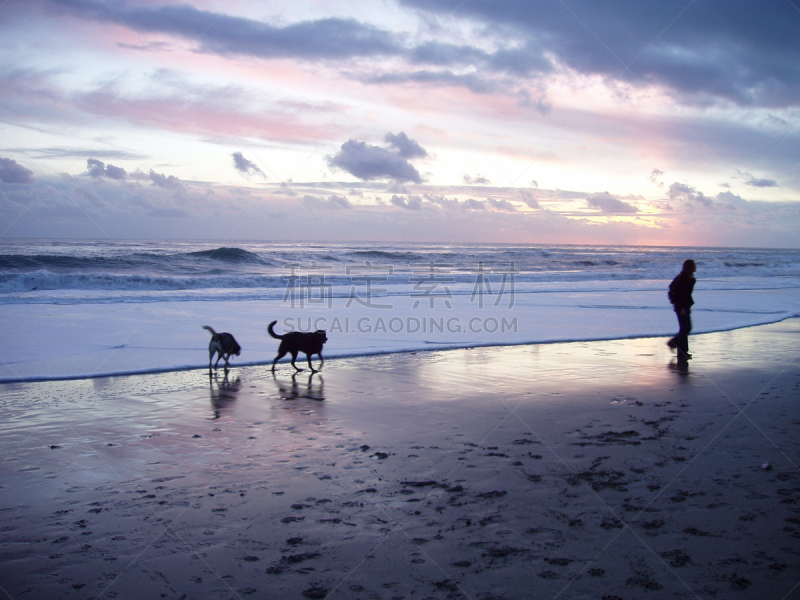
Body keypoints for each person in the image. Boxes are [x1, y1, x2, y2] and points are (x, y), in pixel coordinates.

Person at [667, 259, 696, 364]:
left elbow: (685, 294)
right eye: (694, 265)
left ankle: (675, 345)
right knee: (685, 328)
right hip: (681, 307)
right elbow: (681, 293)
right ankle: (681, 351)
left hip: (684, 306)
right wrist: (683, 307)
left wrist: (687, 306)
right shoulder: (683, 278)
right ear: (690, 267)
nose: (695, 267)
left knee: (686, 328)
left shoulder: (688, 278)